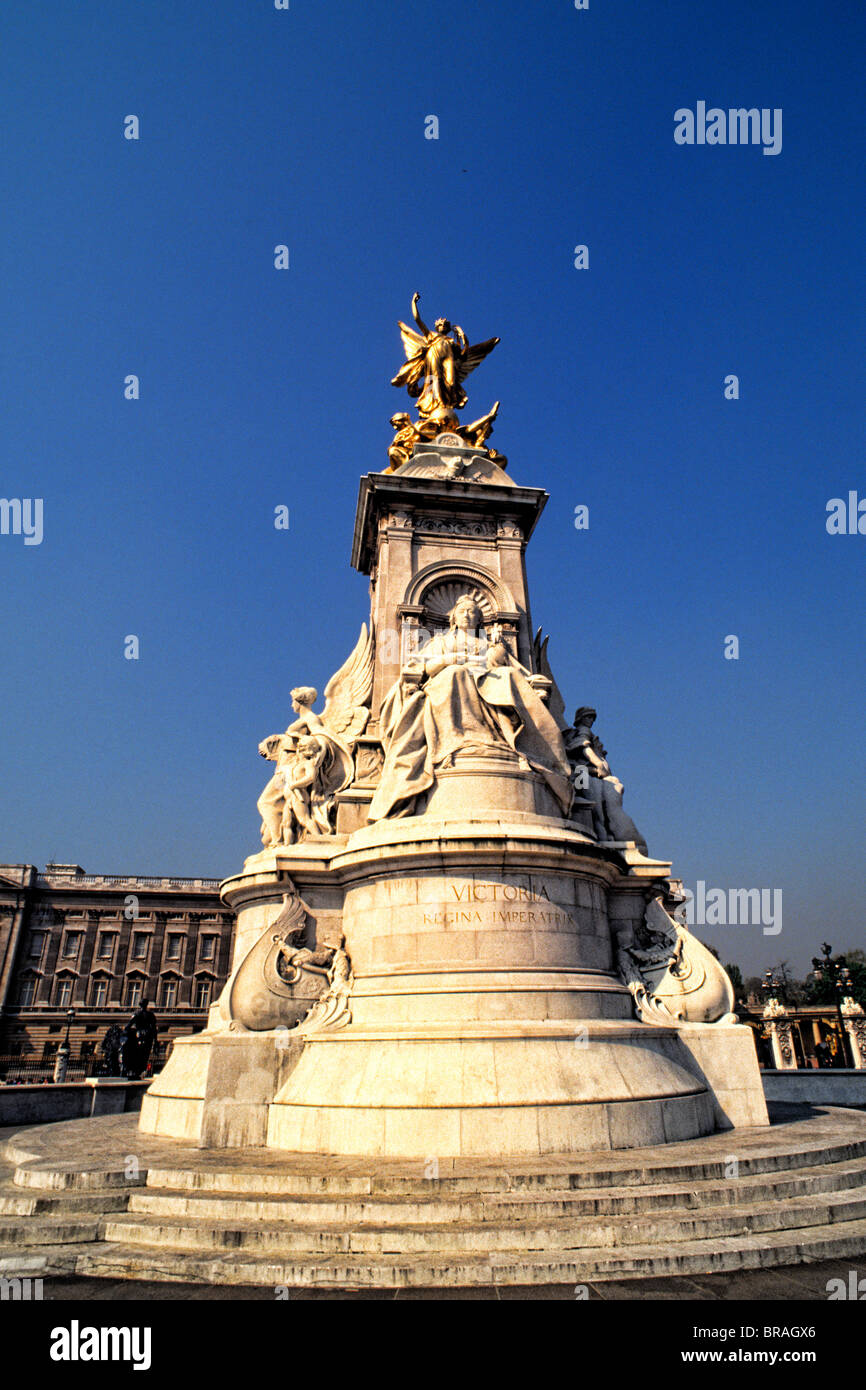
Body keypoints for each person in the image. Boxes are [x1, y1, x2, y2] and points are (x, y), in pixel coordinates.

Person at [368, 596, 572, 821]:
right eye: (462, 611)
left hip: (488, 682)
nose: (467, 614)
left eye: (472, 611)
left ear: (479, 619)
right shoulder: (440, 642)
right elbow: (423, 667)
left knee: (509, 677)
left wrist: (531, 680)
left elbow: (517, 670)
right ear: (453, 618)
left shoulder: (490, 646)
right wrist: (451, 659)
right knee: (457, 674)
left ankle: (516, 747)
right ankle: (454, 745)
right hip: (449, 680)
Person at [121, 999, 158, 1079]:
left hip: (139, 1035)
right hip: (148, 1036)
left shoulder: (137, 1013)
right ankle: (139, 1071)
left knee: (137, 1054)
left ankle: (134, 1071)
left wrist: (124, 1032)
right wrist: (155, 1040)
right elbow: (154, 1029)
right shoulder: (151, 1014)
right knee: (144, 1055)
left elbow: (129, 1024)